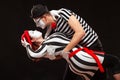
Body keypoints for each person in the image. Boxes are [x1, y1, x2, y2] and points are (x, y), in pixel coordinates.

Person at [30, 4, 105, 80]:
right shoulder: (50, 32)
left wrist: (65, 50)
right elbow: (58, 54)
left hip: (92, 46)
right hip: (78, 52)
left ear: (44, 17)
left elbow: (80, 32)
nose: (37, 25)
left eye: (37, 22)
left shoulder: (63, 13)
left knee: (99, 76)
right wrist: (43, 55)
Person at [21, 30, 120, 80]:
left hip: (75, 61)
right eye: (33, 32)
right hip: (79, 57)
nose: (35, 29)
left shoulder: (47, 43)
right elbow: (33, 56)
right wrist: (27, 46)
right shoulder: (45, 46)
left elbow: (53, 56)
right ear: (33, 40)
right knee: (114, 61)